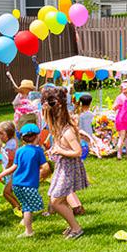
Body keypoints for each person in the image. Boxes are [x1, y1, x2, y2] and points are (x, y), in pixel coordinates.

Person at [42, 86, 87, 239]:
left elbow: (78, 152)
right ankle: (73, 225)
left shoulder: (67, 131)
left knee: (56, 201)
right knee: (57, 199)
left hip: (68, 168)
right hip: (62, 167)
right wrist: (55, 148)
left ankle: (76, 228)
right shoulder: (59, 127)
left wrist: (60, 150)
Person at [0, 123, 49, 238]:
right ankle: (28, 231)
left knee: (26, 205)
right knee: (31, 207)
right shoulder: (38, 151)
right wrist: (41, 176)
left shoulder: (19, 151)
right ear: (37, 136)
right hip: (29, 185)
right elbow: (46, 167)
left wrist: (1, 174)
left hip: (16, 184)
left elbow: (14, 167)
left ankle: (26, 223)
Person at [0, 120, 22, 215]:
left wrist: (6, 171)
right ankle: (19, 207)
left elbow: (11, 159)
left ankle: (18, 208)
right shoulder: (11, 142)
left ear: (7, 135)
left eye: (0, 133)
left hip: (13, 172)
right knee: (9, 192)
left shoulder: (10, 145)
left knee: (6, 192)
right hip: (12, 172)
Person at [76, 93, 95, 159]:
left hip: (83, 138)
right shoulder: (92, 114)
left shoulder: (80, 116)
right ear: (90, 103)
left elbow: (79, 129)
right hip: (91, 136)